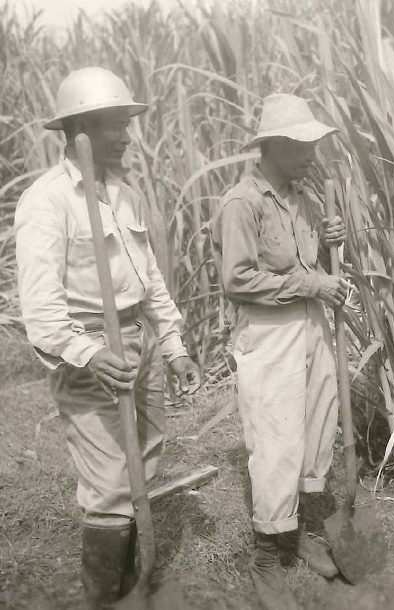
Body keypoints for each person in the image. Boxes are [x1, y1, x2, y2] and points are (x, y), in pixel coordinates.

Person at [14, 67, 201, 609]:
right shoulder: (46, 203)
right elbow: (42, 313)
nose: (126, 136)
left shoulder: (124, 195)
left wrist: (175, 346)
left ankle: (136, 582)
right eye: (113, 125)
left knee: (146, 459)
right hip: (91, 350)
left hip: (139, 342)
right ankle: (107, 598)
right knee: (111, 485)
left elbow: (151, 282)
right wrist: (91, 354)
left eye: (126, 123)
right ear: (78, 132)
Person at [211, 93, 347, 610]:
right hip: (269, 333)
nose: (313, 157)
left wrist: (328, 237)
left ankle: (301, 531)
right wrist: (313, 283)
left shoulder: (301, 196)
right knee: (276, 441)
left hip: (310, 325)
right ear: (274, 146)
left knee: (317, 426)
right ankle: (267, 556)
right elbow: (238, 279)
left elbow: (308, 256)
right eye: (304, 146)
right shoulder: (241, 203)